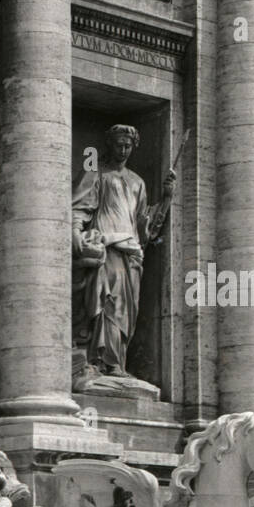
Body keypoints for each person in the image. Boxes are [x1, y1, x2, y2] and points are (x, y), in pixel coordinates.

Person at [71, 124, 174, 389]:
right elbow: (79, 206)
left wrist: (167, 197)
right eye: (119, 144)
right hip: (109, 247)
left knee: (128, 311)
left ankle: (118, 361)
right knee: (108, 304)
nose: (123, 149)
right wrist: (75, 233)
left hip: (132, 252)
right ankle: (104, 362)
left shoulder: (138, 182)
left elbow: (145, 226)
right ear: (110, 145)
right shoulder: (96, 172)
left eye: (128, 145)